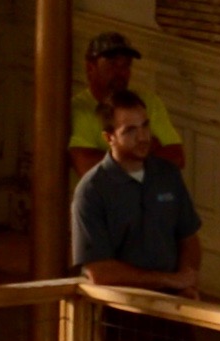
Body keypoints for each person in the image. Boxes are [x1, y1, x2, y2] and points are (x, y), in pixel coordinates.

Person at [66, 98, 200, 295]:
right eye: (130, 131)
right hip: (118, 311)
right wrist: (167, 280)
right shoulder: (91, 191)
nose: (143, 137)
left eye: (145, 126)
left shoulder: (167, 174)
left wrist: (187, 282)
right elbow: (99, 271)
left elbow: (189, 239)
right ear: (109, 137)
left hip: (174, 308)